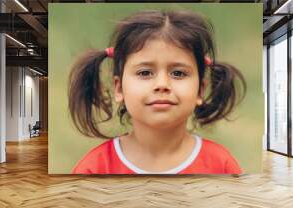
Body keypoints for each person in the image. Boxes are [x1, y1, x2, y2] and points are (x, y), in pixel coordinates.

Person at [69, 9, 246, 174]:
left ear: (200, 90)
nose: (162, 84)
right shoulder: (94, 168)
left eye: (178, 73)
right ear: (119, 88)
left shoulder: (221, 165)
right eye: (145, 72)